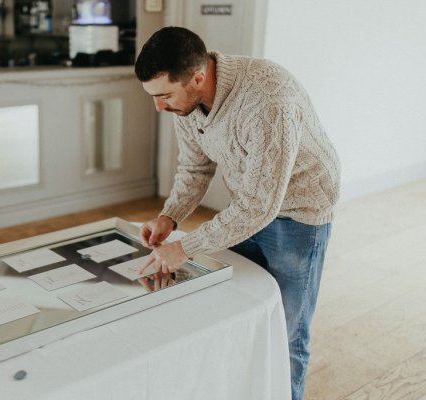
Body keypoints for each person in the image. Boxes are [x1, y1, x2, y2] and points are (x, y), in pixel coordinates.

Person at [134, 27, 340, 400]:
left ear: (198, 77)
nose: (159, 107)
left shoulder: (267, 99)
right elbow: (195, 169)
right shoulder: (187, 102)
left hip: (301, 211)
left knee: (287, 330)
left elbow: (262, 205)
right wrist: (169, 217)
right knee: (240, 310)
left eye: (164, 95)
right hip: (248, 204)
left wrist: (184, 248)